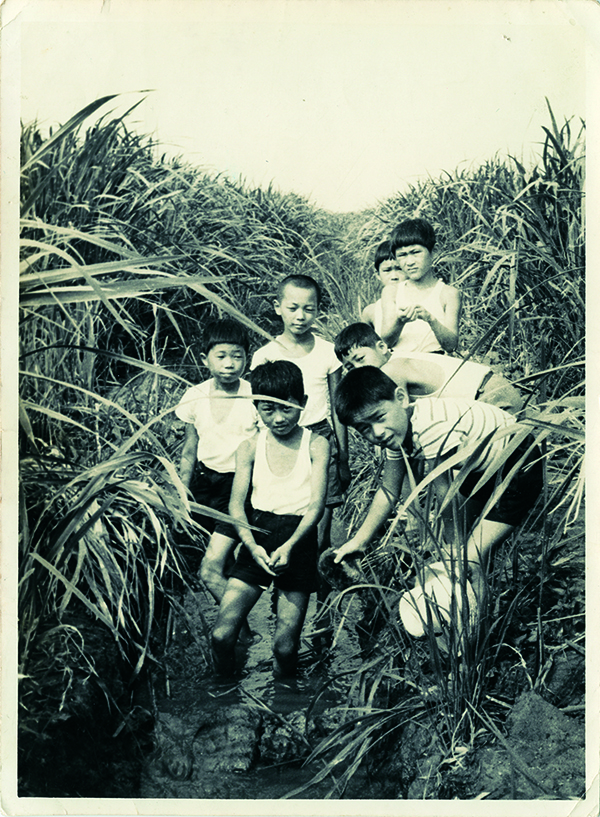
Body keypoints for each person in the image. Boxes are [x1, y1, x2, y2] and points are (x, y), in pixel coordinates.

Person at [332, 367, 543, 631]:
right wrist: (360, 541)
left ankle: (473, 646)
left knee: (469, 558)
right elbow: (388, 491)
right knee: (459, 551)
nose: (377, 432)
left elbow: (446, 494)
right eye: (364, 429)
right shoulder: (398, 432)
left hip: (518, 462)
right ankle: (467, 613)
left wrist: (457, 553)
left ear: (401, 397)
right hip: (481, 468)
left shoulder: (429, 426)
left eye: (378, 417)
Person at [211, 361, 329, 676]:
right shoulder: (248, 447)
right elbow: (237, 506)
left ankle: (286, 704)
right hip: (256, 537)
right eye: (267, 410)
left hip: (298, 541)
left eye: (287, 409)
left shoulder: (316, 444)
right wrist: (250, 545)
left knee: (285, 647)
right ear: (256, 408)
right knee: (222, 635)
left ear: (303, 403)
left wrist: (290, 546)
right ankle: (225, 697)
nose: (278, 419)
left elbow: (316, 506)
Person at [176, 318, 259, 641]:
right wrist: (183, 495)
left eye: (237, 356)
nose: (229, 364)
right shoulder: (195, 396)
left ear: (247, 358)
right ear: (204, 359)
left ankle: (240, 635)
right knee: (221, 568)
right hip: (203, 487)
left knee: (210, 569)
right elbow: (189, 451)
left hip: (238, 489)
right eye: (221, 356)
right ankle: (243, 634)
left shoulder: (254, 396)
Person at [251, 274, 350, 541]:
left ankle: (319, 570)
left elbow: (337, 407)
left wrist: (342, 455)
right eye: (293, 308)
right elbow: (259, 410)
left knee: (323, 512)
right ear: (277, 307)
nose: (300, 316)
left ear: (318, 310)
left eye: (309, 309)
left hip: (320, 436)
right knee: (285, 506)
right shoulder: (264, 356)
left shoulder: (329, 352)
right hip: (279, 438)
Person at [334, 322, 524, 413]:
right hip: (494, 389)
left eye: (360, 359)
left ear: (382, 347)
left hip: (491, 397)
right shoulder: (399, 357)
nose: (358, 369)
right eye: (350, 367)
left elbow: (403, 417)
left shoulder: (391, 369)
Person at [379, 218, 461, 356]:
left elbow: (451, 346)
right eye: (402, 255)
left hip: (434, 362)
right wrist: (399, 322)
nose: (410, 262)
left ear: (433, 252)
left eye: (416, 252)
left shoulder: (448, 293)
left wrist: (430, 318)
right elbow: (386, 342)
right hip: (399, 362)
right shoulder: (391, 291)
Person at [361, 240, 405, 335]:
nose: (394, 276)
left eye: (399, 269)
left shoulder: (422, 302)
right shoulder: (370, 311)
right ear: (378, 275)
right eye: (387, 270)